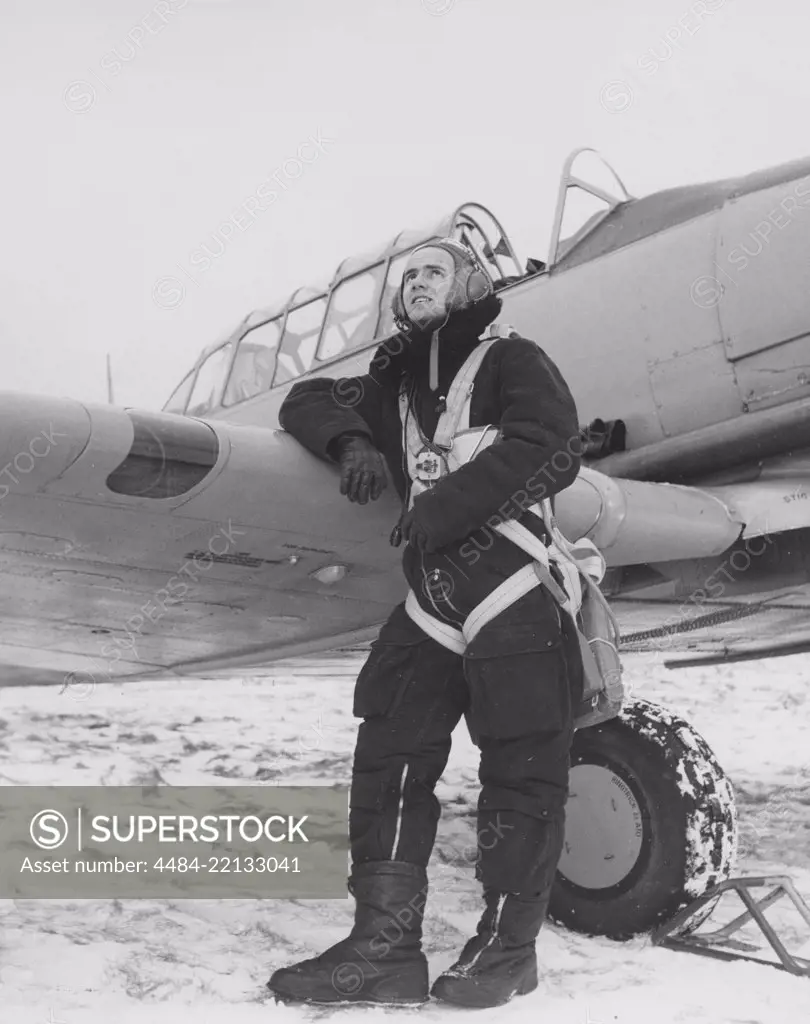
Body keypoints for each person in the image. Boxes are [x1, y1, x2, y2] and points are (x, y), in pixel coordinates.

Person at [268, 238, 584, 1009]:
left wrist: (444, 505)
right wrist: (352, 442)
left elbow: (553, 450)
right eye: (406, 276)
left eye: (432, 271)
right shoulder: (394, 383)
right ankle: (384, 947)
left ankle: (509, 948)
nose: (415, 282)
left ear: (470, 283)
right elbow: (303, 399)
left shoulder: (514, 359)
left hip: (512, 583)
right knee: (389, 758)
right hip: (433, 598)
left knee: (522, 771)